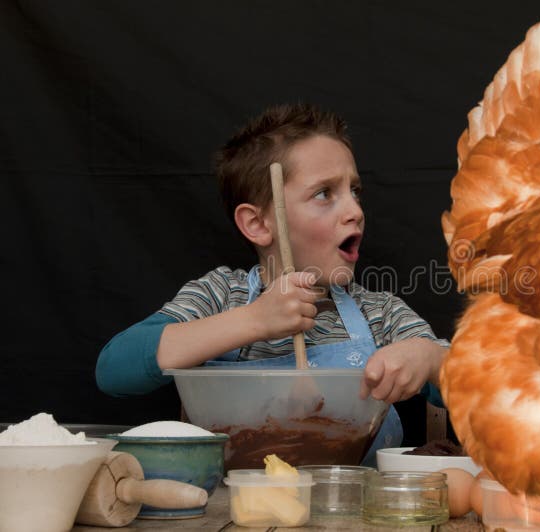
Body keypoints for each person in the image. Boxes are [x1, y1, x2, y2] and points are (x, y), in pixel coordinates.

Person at [96, 103, 449, 466]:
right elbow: (114, 371)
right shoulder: (221, 296)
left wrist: (431, 359)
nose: (355, 210)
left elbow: (481, 385)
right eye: (324, 193)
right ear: (258, 224)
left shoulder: (378, 312)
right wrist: (254, 321)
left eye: (354, 191)